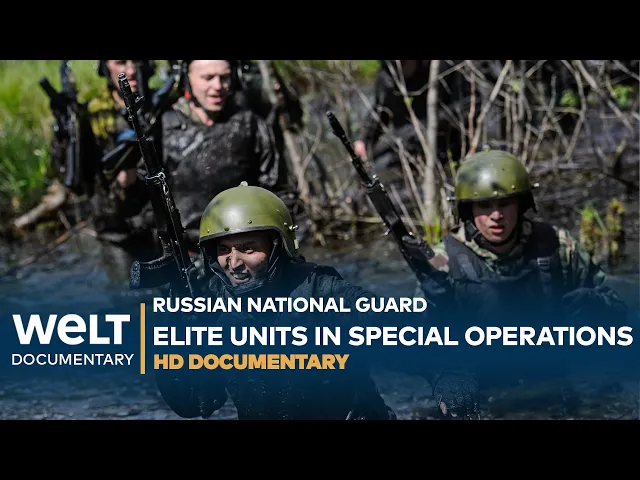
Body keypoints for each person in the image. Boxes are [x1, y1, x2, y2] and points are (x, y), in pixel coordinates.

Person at [154, 182, 479, 420]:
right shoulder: (210, 307)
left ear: (278, 246)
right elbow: (195, 402)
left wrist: (448, 373)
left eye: (248, 248)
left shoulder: (325, 294)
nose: (234, 263)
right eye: (224, 250)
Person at [402, 147, 629, 382]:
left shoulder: (559, 248)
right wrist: (436, 309)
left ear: (521, 204)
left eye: (505, 203)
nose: (496, 215)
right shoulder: (442, 264)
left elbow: (620, 318)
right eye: (485, 205)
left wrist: (597, 306)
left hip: (552, 380)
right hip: (481, 388)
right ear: (468, 210)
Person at [160, 60, 297, 252]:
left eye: (224, 78)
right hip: (185, 252)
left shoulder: (250, 124)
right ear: (186, 78)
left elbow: (278, 190)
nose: (218, 86)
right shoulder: (162, 128)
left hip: (243, 247)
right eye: (208, 78)